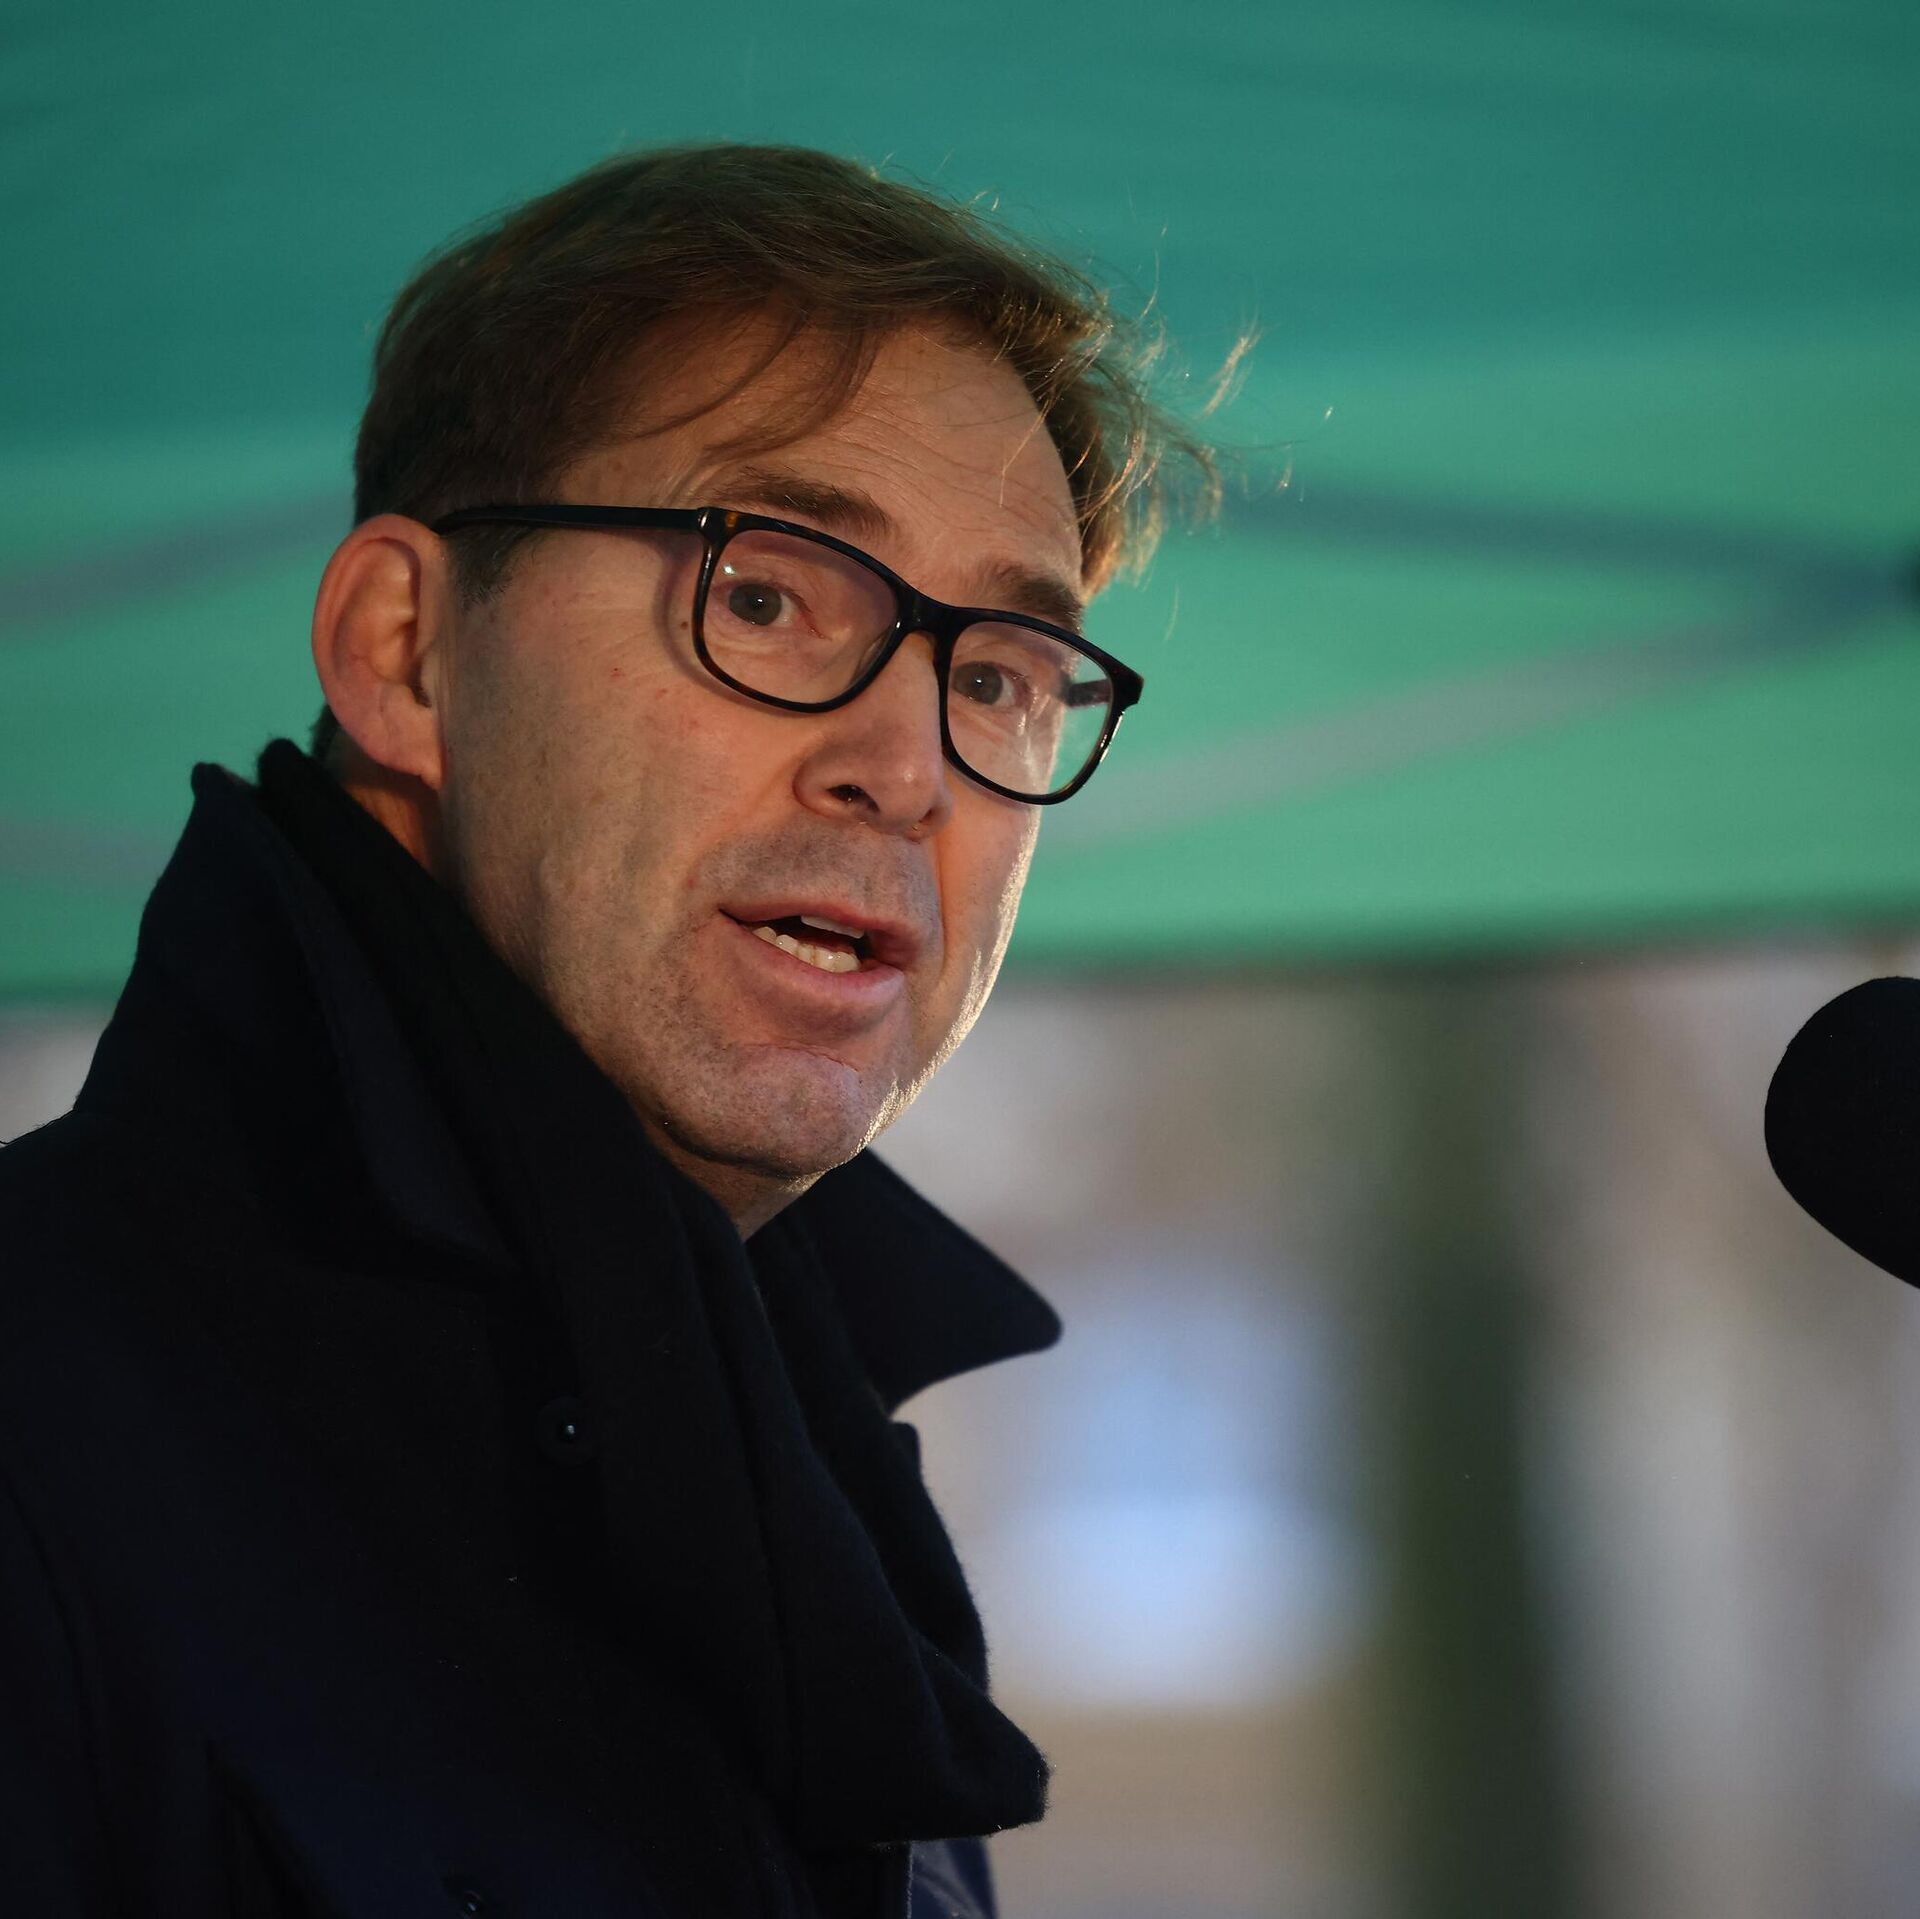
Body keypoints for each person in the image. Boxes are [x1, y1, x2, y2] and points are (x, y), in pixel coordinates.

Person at [0, 143, 1214, 1916]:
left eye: (997, 678)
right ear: (404, 649)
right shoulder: (42, 1413)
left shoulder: (829, 1522)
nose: (905, 768)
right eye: (766, 593)